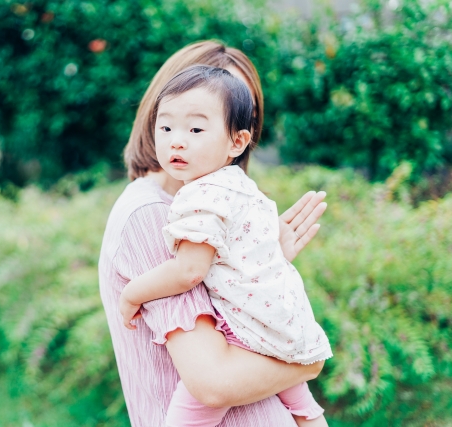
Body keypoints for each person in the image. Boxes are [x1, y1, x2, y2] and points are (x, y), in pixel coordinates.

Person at [99, 40, 328, 427]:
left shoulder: (218, 205)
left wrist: (260, 263)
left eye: (244, 114)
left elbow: (236, 319)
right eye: (176, 121)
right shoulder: (152, 214)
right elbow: (214, 384)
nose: (183, 138)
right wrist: (310, 360)